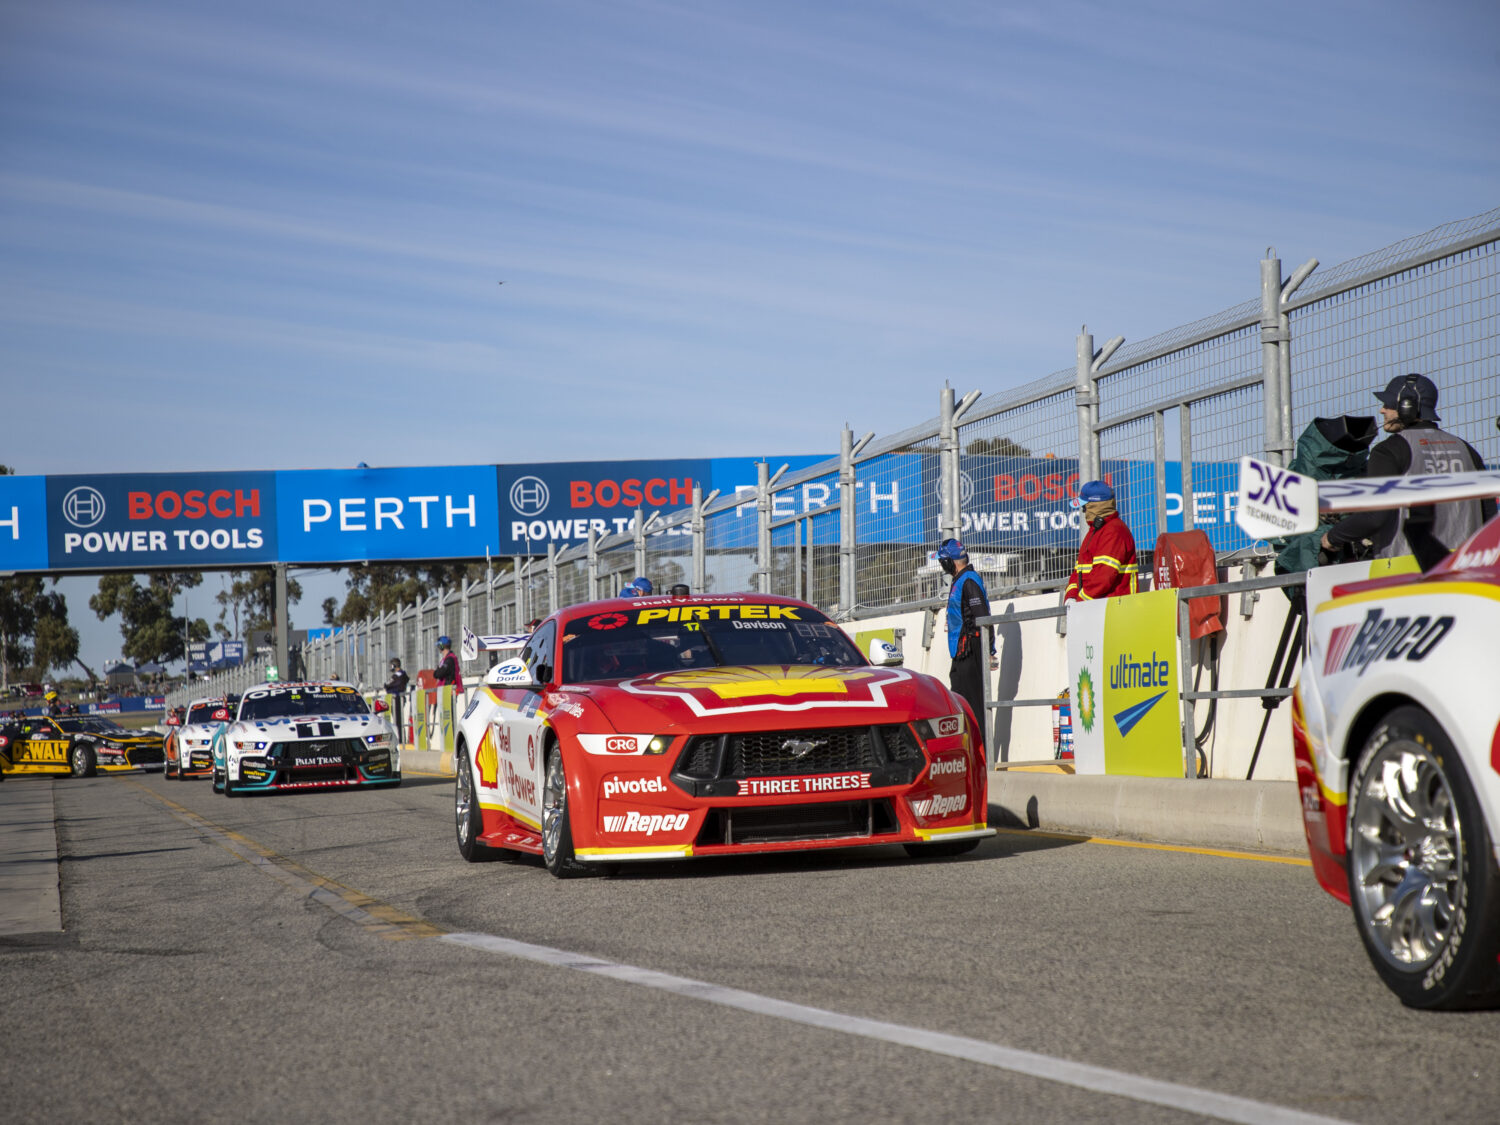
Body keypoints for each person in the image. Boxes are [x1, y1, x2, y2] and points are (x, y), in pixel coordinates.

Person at [1321, 374, 1493, 564]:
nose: (1382, 410)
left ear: (1407, 407)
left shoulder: (1389, 450)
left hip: (1407, 570)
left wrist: (1332, 538)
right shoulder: (1467, 450)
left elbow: (1374, 517)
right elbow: (1490, 518)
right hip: (1467, 569)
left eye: (1388, 404)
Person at [937, 538, 993, 757]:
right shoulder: (960, 580)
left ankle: (981, 756)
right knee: (961, 705)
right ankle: (969, 752)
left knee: (974, 707)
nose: (942, 566)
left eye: (944, 561)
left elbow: (982, 618)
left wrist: (988, 650)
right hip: (960, 654)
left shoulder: (969, 581)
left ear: (952, 562)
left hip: (970, 652)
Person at [1063, 481, 1138, 602]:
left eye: (1084, 507)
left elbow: (1104, 576)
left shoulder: (1114, 532)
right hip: (1097, 606)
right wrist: (1071, 596)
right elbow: (1078, 572)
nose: (1083, 511)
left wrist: (1079, 601)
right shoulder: (1095, 532)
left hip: (1116, 609)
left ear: (1094, 507)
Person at [384, 658, 410, 748]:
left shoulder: (397, 675)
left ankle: (401, 740)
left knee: (398, 721)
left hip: (396, 699)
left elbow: (387, 684)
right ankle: (401, 739)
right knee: (398, 721)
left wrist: (388, 687)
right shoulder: (402, 674)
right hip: (398, 699)